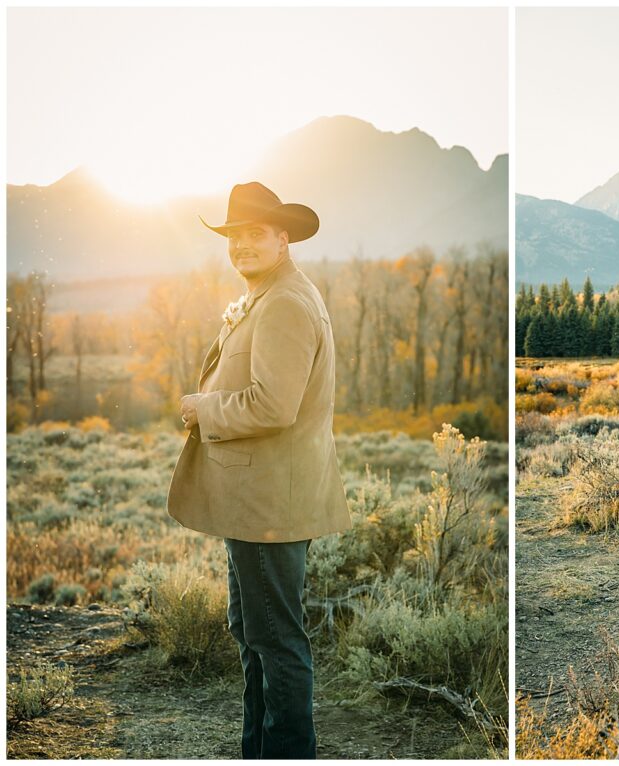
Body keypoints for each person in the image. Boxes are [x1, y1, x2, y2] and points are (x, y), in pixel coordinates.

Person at [167, 181, 352, 757]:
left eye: (255, 234)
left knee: (275, 640)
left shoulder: (286, 305)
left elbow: (274, 405)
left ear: (283, 238)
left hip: (269, 503)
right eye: (234, 236)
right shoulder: (270, 294)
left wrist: (203, 408)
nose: (242, 245)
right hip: (255, 498)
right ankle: (259, 750)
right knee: (254, 634)